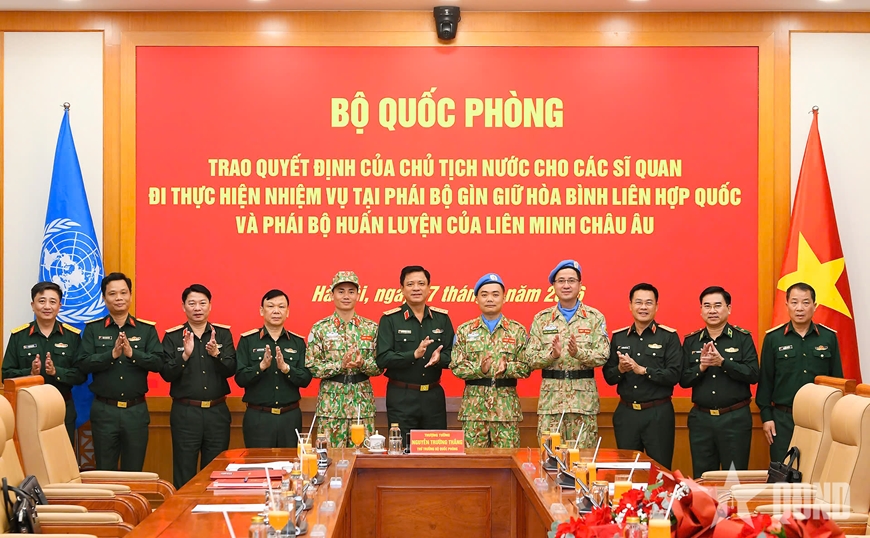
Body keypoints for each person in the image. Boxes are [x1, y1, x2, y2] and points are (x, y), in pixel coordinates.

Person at [76, 272, 163, 471]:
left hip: (136, 411)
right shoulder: (93, 330)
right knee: (105, 472)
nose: (119, 298)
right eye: (112, 293)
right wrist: (111, 355)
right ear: (104, 298)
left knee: (134, 472)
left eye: (123, 293)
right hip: (104, 411)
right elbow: (82, 363)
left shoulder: (146, 330)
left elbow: (159, 363)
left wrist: (133, 354)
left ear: (130, 295)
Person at [525, 260, 609, 448]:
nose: (566, 285)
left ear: (580, 285)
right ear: (554, 286)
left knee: (582, 457)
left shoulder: (594, 317)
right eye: (561, 281)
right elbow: (529, 358)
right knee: (549, 456)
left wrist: (579, 353)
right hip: (551, 403)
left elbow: (603, 354)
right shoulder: (542, 319)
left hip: (583, 403)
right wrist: (551, 356)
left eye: (571, 280)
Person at [160, 284, 236, 489]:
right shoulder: (173, 336)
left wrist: (216, 355)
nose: (197, 308)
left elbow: (231, 370)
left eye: (202, 303)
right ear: (183, 307)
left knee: (216, 472)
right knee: (184, 470)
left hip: (217, 413)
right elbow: (166, 373)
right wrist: (184, 355)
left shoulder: (222, 335)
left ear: (210, 306)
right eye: (192, 303)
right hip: (186, 413)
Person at [757, 282, 842, 463]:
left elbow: (837, 381)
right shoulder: (773, 338)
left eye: (805, 302)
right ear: (787, 305)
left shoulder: (828, 337)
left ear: (814, 306)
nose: (800, 308)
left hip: (820, 418)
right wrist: (766, 418)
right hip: (782, 419)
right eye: (794, 302)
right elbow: (765, 382)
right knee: (783, 470)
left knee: (817, 468)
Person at [680, 286, 759, 478]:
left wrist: (723, 363)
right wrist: (701, 367)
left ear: (728, 309)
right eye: (707, 306)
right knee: (703, 478)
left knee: (735, 479)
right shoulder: (691, 341)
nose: (712, 310)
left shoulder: (742, 339)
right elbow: (683, 380)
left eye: (717, 305)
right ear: (701, 310)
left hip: (734, 419)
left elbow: (753, 374)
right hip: (701, 420)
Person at [603, 283, 682, 469]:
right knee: (628, 471)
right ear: (630, 306)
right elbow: (608, 376)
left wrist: (644, 371)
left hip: (658, 413)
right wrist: (620, 369)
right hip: (626, 413)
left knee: (660, 471)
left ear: (656, 306)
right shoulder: (619, 337)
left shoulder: (668, 336)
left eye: (648, 303)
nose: (643, 307)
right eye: (638, 302)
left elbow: (674, 375)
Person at [376, 265, 454, 443]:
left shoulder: (442, 319)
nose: (416, 288)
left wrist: (440, 359)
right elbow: (382, 358)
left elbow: (454, 355)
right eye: (410, 284)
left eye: (421, 283)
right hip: (401, 396)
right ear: (402, 289)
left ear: (429, 288)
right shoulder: (390, 319)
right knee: (402, 449)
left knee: (435, 450)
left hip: (433, 396)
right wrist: (413, 355)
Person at [452, 273, 530, 448]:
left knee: (508, 460)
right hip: (474, 412)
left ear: (504, 298)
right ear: (476, 299)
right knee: (474, 461)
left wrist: (508, 368)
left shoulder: (517, 331)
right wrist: (480, 369)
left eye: (495, 294)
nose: (490, 299)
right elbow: (456, 366)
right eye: (484, 294)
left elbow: (527, 367)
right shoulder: (465, 330)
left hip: (506, 411)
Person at [2, 281, 85, 445]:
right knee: (30, 455)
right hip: (27, 409)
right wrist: (30, 374)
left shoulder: (72, 336)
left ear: (59, 306)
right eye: (41, 301)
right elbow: (5, 375)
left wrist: (56, 372)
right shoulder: (19, 336)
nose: (47, 306)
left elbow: (81, 375)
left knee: (62, 455)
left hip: (61, 407)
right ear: (33, 305)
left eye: (52, 302)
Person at [306, 271, 381, 447]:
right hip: (330, 407)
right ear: (331, 295)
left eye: (351, 291)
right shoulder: (320, 329)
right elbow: (312, 366)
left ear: (358, 295)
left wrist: (362, 364)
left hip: (362, 405)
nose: (346, 296)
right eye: (341, 291)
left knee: (363, 456)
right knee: (328, 456)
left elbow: (380, 366)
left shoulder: (371, 328)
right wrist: (339, 365)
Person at [235, 289, 312, 448]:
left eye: (281, 307)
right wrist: (261, 366)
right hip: (258, 417)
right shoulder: (248, 341)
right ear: (261, 310)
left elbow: (306, 379)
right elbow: (240, 378)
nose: (276, 311)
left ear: (287, 312)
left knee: (291, 462)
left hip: (290, 418)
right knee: (258, 463)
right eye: (270, 306)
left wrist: (286, 369)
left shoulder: (297, 342)